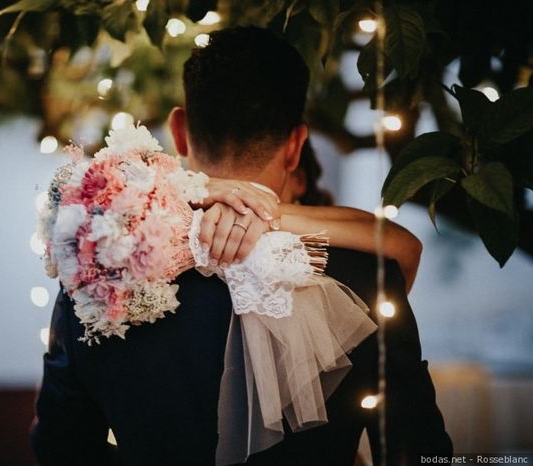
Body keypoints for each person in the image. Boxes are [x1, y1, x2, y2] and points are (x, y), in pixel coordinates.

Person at [31, 26, 451, 466]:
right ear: (295, 147)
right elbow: (422, 455)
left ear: (179, 130)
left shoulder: (101, 268)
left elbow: (60, 447)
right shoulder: (365, 275)